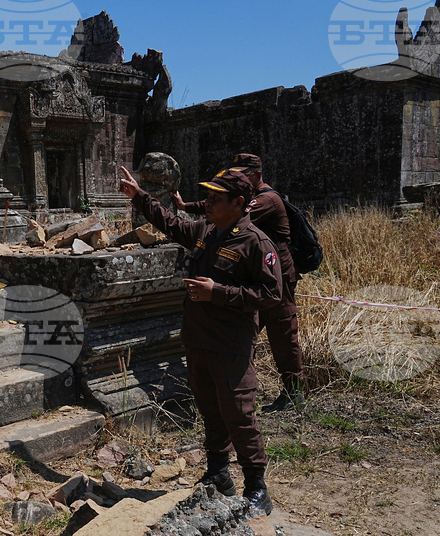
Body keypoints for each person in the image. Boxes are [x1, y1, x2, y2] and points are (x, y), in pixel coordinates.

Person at [119, 165, 281, 514]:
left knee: (238, 414)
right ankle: (219, 475)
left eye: (215, 198)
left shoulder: (256, 242)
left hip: (231, 343)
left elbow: (270, 294)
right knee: (209, 408)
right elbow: (172, 224)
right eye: (207, 196)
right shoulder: (208, 231)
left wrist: (217, 292)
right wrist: (140, 198)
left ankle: (257, 488)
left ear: (239, 203)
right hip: (198, 340)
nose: (206, 203)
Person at [175, 153, 303, 412]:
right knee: (247, 334)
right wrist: (187, 207)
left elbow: (228, 212)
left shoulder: (266, 199)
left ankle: (294, 393)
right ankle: (238, 390)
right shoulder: (248, 198)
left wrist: (191, 211)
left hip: (277, 278)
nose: (240, 178)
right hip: (251, 274)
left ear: (256, 175)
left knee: (283, 336)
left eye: (244, 174)